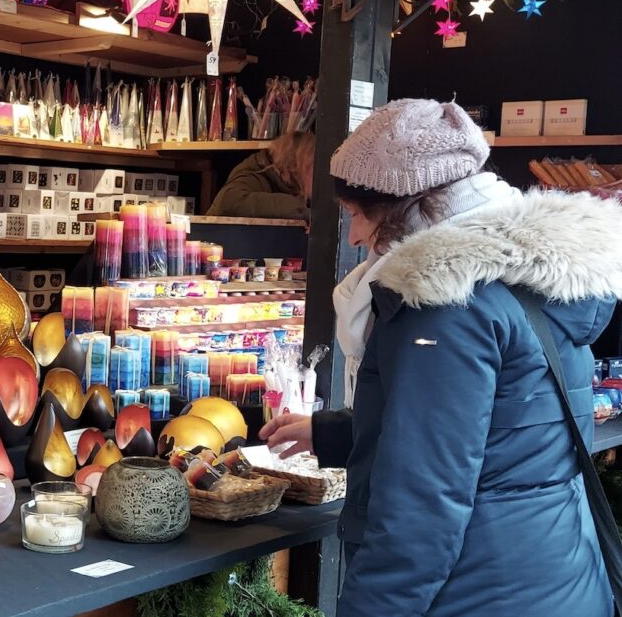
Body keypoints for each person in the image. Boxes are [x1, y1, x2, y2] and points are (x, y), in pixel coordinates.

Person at [260, 99, 622, 617]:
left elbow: (421, 508)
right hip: (553, 572)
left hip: (473, 591)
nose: (357, 236)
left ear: (413, 205)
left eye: (358, 215)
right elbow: (501, 428)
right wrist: (334, 432)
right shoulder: (528, 274)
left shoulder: (445, 306)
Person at [207, 131, 315, 220]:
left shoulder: (284, 183)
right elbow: (228, 202)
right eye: (310, 167)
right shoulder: (256, 172)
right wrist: (303, 210)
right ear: (294, 165)